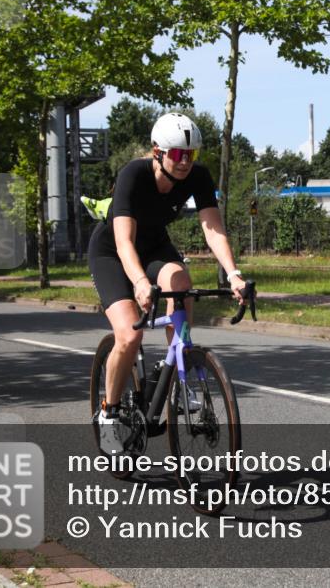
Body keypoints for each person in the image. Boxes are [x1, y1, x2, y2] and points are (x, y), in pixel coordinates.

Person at [88, 113, 246, 454]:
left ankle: (181, 364)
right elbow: (123, 242)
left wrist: (234, 274)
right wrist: (141, 283)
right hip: (112, 253)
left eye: (192, 154)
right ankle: (110, 413)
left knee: (181, 282)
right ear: (158, 152)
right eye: (178, 154)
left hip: (155, 246)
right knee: (130, 334)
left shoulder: (197, 177)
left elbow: (212, 228)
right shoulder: (134, 174)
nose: (186, 161)